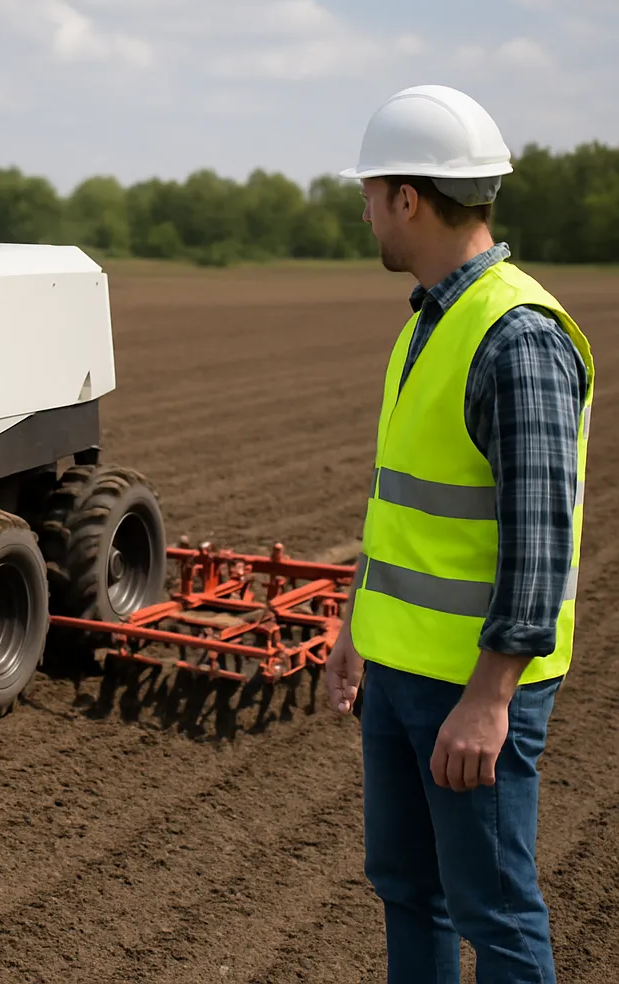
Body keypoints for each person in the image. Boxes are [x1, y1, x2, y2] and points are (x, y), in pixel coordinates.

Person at [327, 84, 594, 984]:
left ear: (409, 198)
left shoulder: (516, 338)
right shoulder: (430, 323)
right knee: (409, 887)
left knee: (496, 911)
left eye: (370, 193)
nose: (364, 211)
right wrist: (352, 630)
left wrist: (491, 697)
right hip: (399, 672)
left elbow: (539, 542)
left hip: (472, 688)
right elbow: (400, 506)